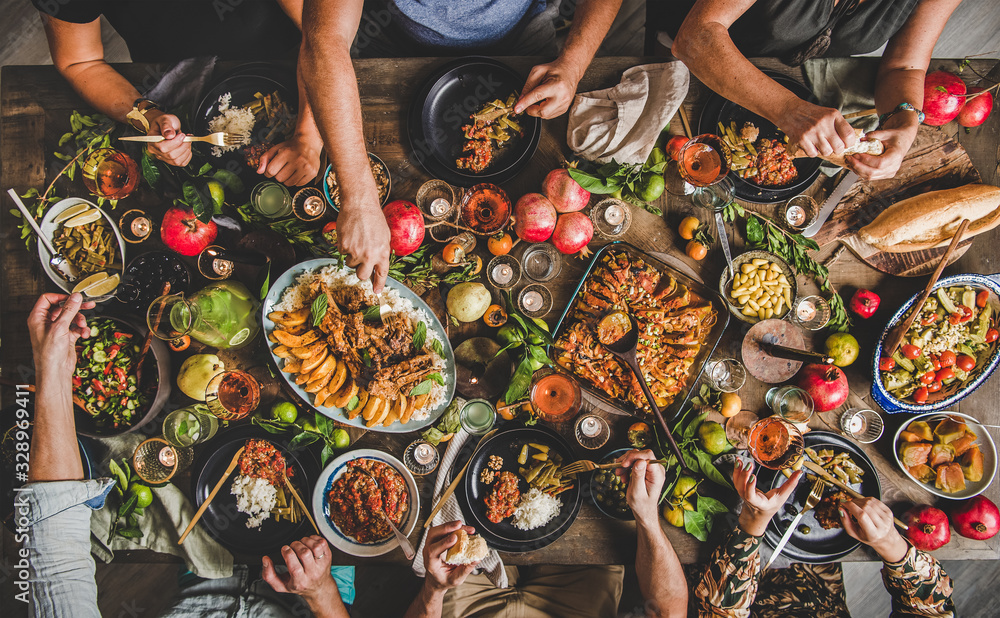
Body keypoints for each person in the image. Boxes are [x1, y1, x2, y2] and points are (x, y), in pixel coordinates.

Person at [19, 292, 477, 617]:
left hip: (204, 573)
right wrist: (328, 594)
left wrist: (55, 367)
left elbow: (54, 551)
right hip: (316, 591)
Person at [299, 0, 624, 292]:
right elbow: (324, 42)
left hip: (524, 34)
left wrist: (575, 64)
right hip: (395, 35)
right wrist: (359, 198)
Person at [32, 0, 323, 186]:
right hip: (168, 81)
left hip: (299, 67)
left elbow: (318, 36)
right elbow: (79, 63)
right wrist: (148, 115)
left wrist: (309, 135)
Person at [666, 0, 964, 180]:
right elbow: (695, 37)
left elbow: (904, 67)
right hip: (692, 64)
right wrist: (789, 111)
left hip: (796, 80)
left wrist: (906, 122)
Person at [435, 449, 686, 618]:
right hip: (576, 605)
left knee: (458, 550)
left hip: (471, 608)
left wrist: (433, 589)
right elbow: (669, 612)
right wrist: (647, 515)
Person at [693, 459, 956, 617]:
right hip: (818, 586)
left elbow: (717, 612)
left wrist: (754, 521)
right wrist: (889, 543)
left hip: (719, 575)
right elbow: (932, 610)